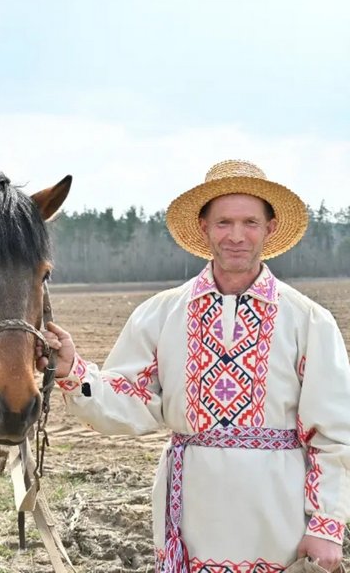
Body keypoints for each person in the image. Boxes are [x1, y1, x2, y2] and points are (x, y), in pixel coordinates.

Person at [43, 160, 350, 573]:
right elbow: (129, 400)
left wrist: (327, 524)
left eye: (250, 222)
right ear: (204, 227)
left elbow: (334, 433)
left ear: (270, 229)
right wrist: (72, 371)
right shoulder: (161, 314)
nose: (236, 236)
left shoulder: (309, 320)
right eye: (223, 222)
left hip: (280, 522)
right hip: (192, 518)